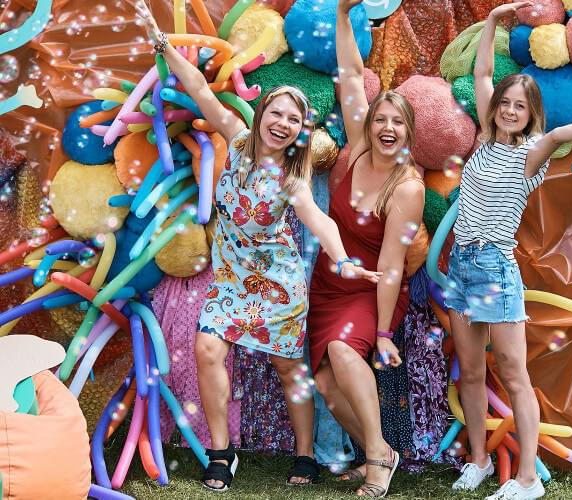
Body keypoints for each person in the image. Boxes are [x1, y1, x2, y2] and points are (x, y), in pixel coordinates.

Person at [136, 3, 381, 492]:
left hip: (278, 283)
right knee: (208, 347)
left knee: (290, 367)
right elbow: (202, 91)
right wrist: (163, 44)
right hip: (230, 280)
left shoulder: (292, 178)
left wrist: (342, 259)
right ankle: (222, 454)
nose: (284, 123)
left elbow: (318, 220)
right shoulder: (238, 137)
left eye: (294, 119)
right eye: (278, 113)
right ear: (263, 112)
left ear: (297, 132)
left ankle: (305, 453)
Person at [447, 3, 572, 499]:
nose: (509, 110)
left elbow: (563, 135)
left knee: (512, 371)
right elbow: (483, 70)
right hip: (462, 265)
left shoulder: (530, 153)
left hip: (494, 268)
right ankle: (481, 461)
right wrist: (490, 24)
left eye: (519, 106)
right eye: (504, 103)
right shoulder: (484, 138)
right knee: (471, 369)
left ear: (531, 114)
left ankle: (528, 480)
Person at [306, 0, 425, 497]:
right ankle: (384, 452)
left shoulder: (408, 187)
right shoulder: (355, 149)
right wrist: (341, 14)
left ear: (408, 133)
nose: (387, 129)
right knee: (329, 386)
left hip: (374, 290)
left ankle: (377, 459)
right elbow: (352, 75)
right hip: (328, 284)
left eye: (398, 123)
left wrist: (380, 333)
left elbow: (395, 266)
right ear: (370, 124)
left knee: (341, 348)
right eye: (381, 120)